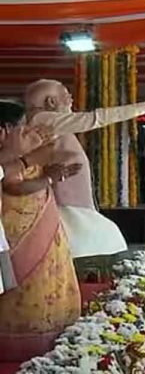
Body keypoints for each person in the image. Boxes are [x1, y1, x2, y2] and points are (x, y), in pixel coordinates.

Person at [23, 79, 145, 258]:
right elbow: (93, 119)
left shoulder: (49, 123)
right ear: (51, 102)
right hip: (68, 211)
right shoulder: (43, 119)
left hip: (73, 208)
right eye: (66, 95)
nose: (71, 99)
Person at [0, 101, 84, 362]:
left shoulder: (16, 157)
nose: (29, 133)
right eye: (22, 129)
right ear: (3, 131)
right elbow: (11, 183)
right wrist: (44, 173)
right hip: (18, 230)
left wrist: (37, 164)